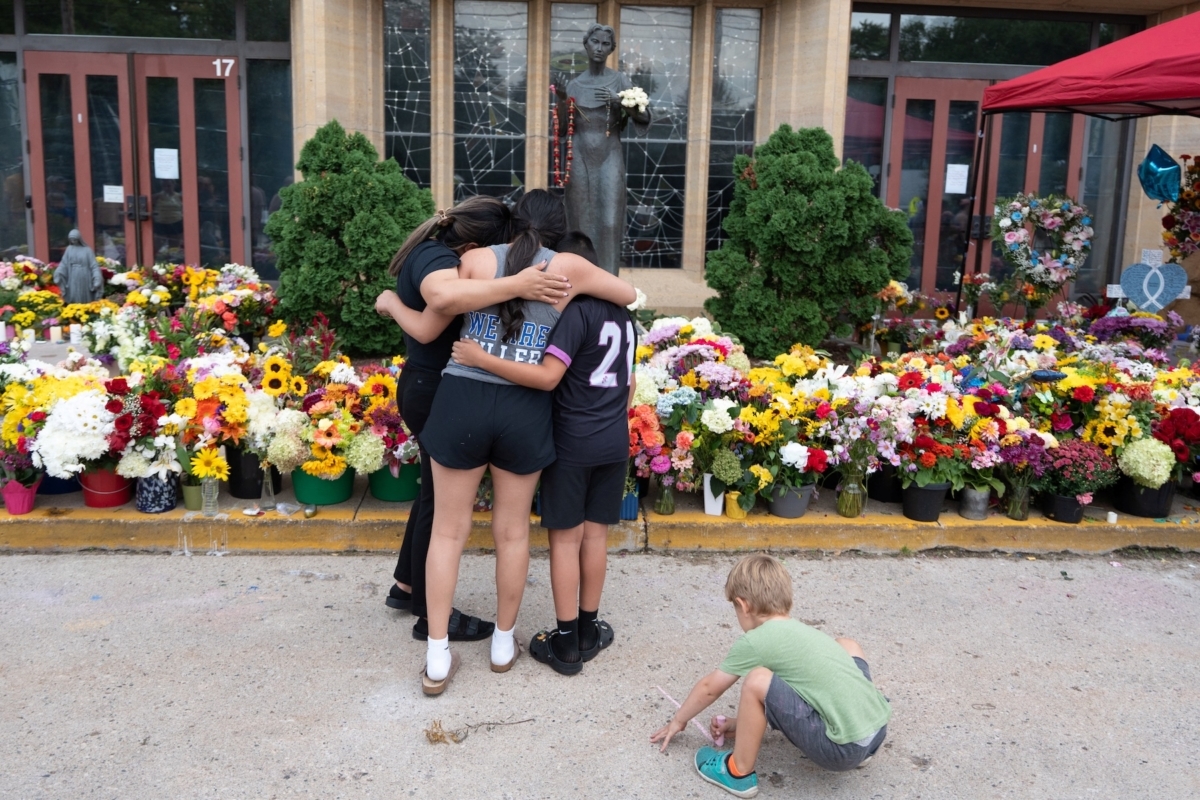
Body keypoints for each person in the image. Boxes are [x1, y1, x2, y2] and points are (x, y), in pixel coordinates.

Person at [415, 190, 636, 695]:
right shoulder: (569, 267)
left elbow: (436, 307)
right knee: (512, 532)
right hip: (525, 408)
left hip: (462, 398)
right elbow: (626, 295)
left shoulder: (473, 259)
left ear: (509, 221)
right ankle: (502, 642)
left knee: (448, 532)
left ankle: (437, 656)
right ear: (560, 230)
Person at [374, 196, 572, 646]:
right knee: (439, 510)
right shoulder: (437, 257)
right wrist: (518, 284)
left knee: (433, 495)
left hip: (432, 385)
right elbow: (430, 322)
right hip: (432, 386)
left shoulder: (438, 252)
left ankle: (406, 586)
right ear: (476, 243)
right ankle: (428, 613)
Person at [650, 554, 891, 798]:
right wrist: (741, 724)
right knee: (846, 645)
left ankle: (737, 771)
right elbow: (797, 693)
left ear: (743, 606)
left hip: (842, 750)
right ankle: (863, 743)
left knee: (757, 680)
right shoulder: (800, 631)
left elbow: (710, 687)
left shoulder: (756, 640)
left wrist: (679, 720)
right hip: (877, 731)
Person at [558, 24, 650, 274]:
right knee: (580, 223)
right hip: (579, 157)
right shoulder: (575, 85)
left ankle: (608, 286)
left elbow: (644, 117)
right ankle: (580, 284)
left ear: (611, 48)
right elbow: (563, 130)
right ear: (586, 45)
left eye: (605, 43)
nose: (599, 48)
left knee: (610, 222)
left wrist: (619, 100)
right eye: (595, 42)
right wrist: (562, 99)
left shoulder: (619, 80)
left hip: (609, 154)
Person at [53, 229, 104, 305]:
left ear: (79, 239)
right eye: (71, 240)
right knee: (73, 295)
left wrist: (97, 277)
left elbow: (94, 266)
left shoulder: (87, 250)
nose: (73, 241)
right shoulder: (69, 249)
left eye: (75, 239)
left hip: (84, 276)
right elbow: (64, 263)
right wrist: (58, 272)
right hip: (72, 276)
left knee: (85, 296)